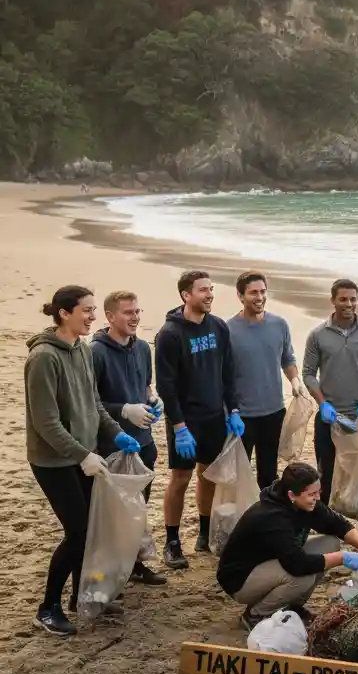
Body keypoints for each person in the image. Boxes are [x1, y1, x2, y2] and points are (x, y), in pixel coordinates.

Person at [25, 286, 141, 636]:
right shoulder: (44, 357)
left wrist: (115, 432)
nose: (93, 316)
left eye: (93, 309)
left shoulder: (81, 349)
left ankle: (82, 596)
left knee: (93, 530)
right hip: (54, 460)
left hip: (86, 454)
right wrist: (82, 455)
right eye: (87, 310)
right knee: (78, 532)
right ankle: (48, 607)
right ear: (64, 313)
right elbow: (46, 423)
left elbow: (95, 405)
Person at [217, 461, 358, 629]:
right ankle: (256, 615)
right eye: (312, 494)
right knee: (303, 577)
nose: (317, 498)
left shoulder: (305, 503)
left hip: (274, 561)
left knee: (330, 543)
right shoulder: (272, 517)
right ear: (291, 495)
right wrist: (343, 558)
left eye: (318, 492)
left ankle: (291, 605)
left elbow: (338, 524)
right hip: (241, 578)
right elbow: (297, 564)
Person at [155, 270, 244, 570]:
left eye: (211, 289)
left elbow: (227, 372)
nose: (209, 295)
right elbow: (166, 385)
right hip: (185, 421)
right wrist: (179, 426)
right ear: (185, 295)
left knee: (208, 476)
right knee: (180, 478)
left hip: (214, 417)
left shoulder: (218, 326)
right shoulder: (170, 334)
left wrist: (233, 410)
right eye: (203, 290)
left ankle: (205, 535)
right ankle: (172, 541)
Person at [303, 279, 358, 541]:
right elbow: (308, 374)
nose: (349, 304)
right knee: (326, 470)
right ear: (333, 301)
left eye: (353, 299)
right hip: (329, 417)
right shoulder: (318, 335)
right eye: (343, 299)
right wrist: (322, 403)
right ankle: (327, 521)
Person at [91, 290, 167, 587]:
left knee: (138, 508)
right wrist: (124, 409)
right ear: (110, 316)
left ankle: (135, 565)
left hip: (144, 443)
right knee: (113, 514)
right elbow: (90, 403)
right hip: (113, 445)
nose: (135, 317)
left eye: (137, 312)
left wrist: (152, 399)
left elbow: (145, 385)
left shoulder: (143, 348)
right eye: (128, 313)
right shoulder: (95, 352)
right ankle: (111, 572)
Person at [226, 271, 303, 490]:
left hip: (273, 410)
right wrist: (229, 411)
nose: (259, 297)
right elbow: (223, 374)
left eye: (262, 292)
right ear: (241, 296)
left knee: (269, 472)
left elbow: (287, 358)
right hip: (241, 415)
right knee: (238, 474)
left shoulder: (279, 324)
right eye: (253, 293)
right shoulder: (228, 329)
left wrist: (295, 380)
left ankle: (266, 516)